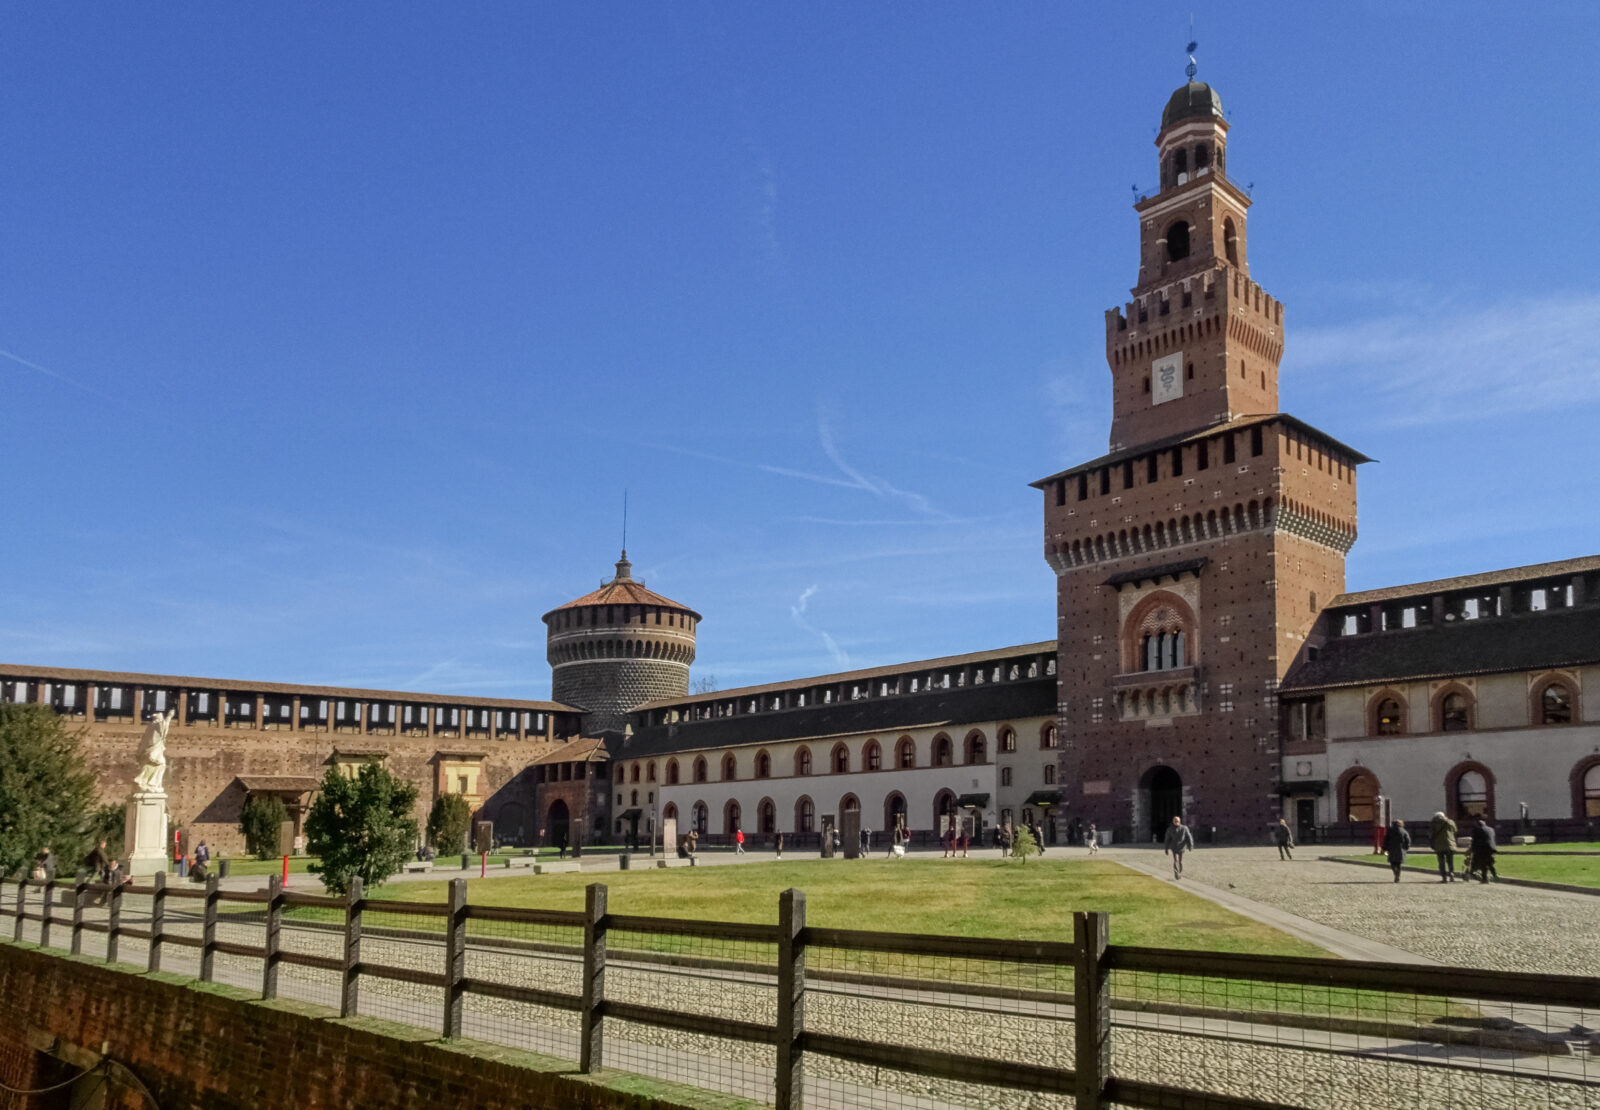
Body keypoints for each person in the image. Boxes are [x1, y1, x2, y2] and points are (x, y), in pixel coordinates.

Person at [1429, 811, 1457, 883]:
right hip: (1449, 844)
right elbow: (1455, 830)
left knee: (1441, 862)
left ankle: (1444, 877)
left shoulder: (1434, 823)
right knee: (1450, 861)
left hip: (1439, 845)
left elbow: (1431, 833)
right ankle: (1451, 874)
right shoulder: (1450, 822)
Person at [1469, 817, 1497, 884]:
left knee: (1482, 864)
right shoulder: (1491, 829)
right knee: (1489, 863)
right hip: (1491, 848)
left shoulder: (1476, 830)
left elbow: (1474, 841)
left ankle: (1484, 878)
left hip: (1482, 848)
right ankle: (1494, 875)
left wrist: (1472, 850)